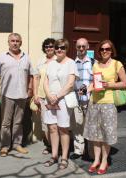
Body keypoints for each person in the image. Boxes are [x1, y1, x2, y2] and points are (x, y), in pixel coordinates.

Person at [83, 40, 126, 174]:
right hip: (94, 103)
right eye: (102, 49)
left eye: (107, 49)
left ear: (111, 50)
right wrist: (86, 90)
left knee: (106, 134)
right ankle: (96, 160)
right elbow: (93, 82)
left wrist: (108, 85)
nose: (104, 51)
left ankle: (104, 161)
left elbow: (124, 83)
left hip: (108, 103)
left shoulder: (116, 64)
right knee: (95, 134)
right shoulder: (96, 65)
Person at [0, 33, 34, 157]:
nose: (15, 43)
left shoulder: (27, 57)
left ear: (21, 42)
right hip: (6, 95)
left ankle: (17, 144)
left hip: (22, 95)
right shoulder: (1, 57)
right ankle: (5, 146)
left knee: (18, 122)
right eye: (12, 41)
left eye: (17, 41)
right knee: (6, 122)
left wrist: (30, 88)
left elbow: (32, 74)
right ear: (8, 42)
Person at [43, 39, 79, 169]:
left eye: (62, 48)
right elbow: (45, 82)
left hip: (63, 100)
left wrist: (57, 96)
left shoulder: (71, 63)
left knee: (63, 129)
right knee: (52, 128)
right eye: (57, 47)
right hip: (50, 100)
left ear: (67, 49)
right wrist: (49, 95)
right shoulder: (51, 63)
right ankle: (54, 155)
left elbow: (70, 84)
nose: (59, 50)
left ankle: (64, 157)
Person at [70, 38, 94, 160]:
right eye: (79, 46)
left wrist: (86, 90)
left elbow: (97, 82)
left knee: (90, 126)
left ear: (87, 46)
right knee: (77, 126)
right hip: (76, 100)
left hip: (90, 100)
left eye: (83, 46)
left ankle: (91, 152)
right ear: (76, 47)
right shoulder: (71, 63)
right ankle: (78, 150)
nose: (81, 49)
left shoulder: (94, 63)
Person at [33, 38, 56, 155]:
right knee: (45, 123)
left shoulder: (58, 59)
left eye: (51, 46)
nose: (49, 48)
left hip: (54, 97)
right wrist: (35, 94)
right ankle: (49, 146)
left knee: (55, 124)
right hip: (42, 96)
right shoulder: (40, 61)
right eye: (47, 46)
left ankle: (58, 147)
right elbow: (36, 78)